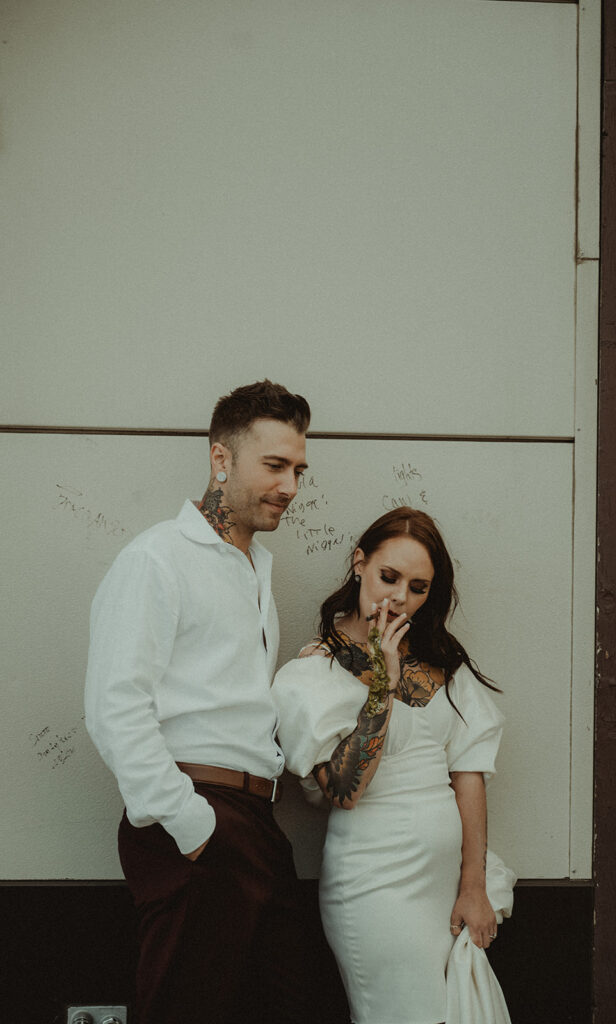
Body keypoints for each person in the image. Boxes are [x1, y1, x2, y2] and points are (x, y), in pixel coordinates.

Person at [85, 380, 314, 1024]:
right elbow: (114, 706)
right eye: (274, 465)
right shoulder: (157, 559)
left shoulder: (254, 566)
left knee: (295, 1003)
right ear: (221, 459)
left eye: (298, 469)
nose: (290, 486)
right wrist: (190, 826)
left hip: (257, 823)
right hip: (200, 820)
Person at [272, 507, 510, 1024]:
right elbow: (342, 791)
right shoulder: (314, 672)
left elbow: (468, 774)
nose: (401, 597)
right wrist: (383, 683)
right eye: (389, 577)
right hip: (374, 884)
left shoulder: (445, 665)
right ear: (359, 563)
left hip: (445, 886)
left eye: (419, 586)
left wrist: (472, 886)